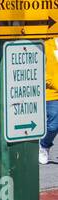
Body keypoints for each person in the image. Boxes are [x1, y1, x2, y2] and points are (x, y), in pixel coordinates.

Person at [41, 36, 58, 166]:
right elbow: (43, 70)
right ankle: (44, 145)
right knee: (53, 124)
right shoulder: (47, 43)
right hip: (53, 91)